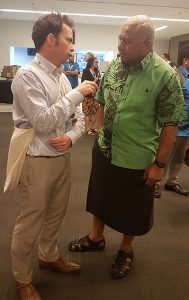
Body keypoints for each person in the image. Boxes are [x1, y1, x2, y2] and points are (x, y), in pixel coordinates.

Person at [69, 15, 185, 280]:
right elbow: (100, 97)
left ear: (147, 44)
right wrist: (95, 124)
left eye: (126, 41)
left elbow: (170, 124)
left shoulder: (165, 76)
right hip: (105, 149)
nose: (119, 45)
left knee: (132, 207)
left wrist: (159, 165)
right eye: (119, 38)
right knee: (99, 196)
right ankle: (96, 237)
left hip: (137, 155)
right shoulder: (114, 66)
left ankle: (126, 249)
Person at [11, 13, 98, 300]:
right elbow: (45, 121)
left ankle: (48, 257)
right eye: (69, 40)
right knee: (31, 221)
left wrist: (71, 137)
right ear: (51, 40)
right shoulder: (28, 76)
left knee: (56, 215)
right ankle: (22, 278)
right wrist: (78, 94)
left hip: (62, 158)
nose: (73, 47)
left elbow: (80, 121)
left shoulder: (61, 77)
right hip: (36, 160)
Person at [164, 48, 189, 196]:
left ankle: (172, 181)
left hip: (187, 127)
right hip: (176, 124)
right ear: (185, 60)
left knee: (180, 155)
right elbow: (172, 101)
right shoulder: (177, 75)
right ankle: (155, 183)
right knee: (165, 153)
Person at [81, 57, 101, 135]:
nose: (97, 63)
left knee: (95, 112)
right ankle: (87, 129)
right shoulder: (86, 71)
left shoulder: (97, 71)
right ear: (91, 63)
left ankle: (93, 128)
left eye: (97, 62)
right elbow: (83, 83)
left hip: (95, 95)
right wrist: (94, 81)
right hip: (87, 95)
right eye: (96, 62)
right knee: (87, 113)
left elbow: (98, 83)